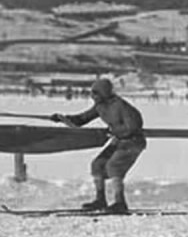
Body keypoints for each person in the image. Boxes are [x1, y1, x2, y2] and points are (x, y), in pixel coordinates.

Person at [51, 78, 146, 214]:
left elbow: (134, 126)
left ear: (104, 93)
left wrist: (114, 131)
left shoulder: (120, 106)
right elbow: (81, 119)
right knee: (98, 165)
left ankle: (120, 202)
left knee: (113, 166)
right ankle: (100, 200)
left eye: (96, 93)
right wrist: (62, 118)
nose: (93, 96)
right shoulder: (100, 106)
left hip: (133, 142)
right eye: (92, 93)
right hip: (119, 140)